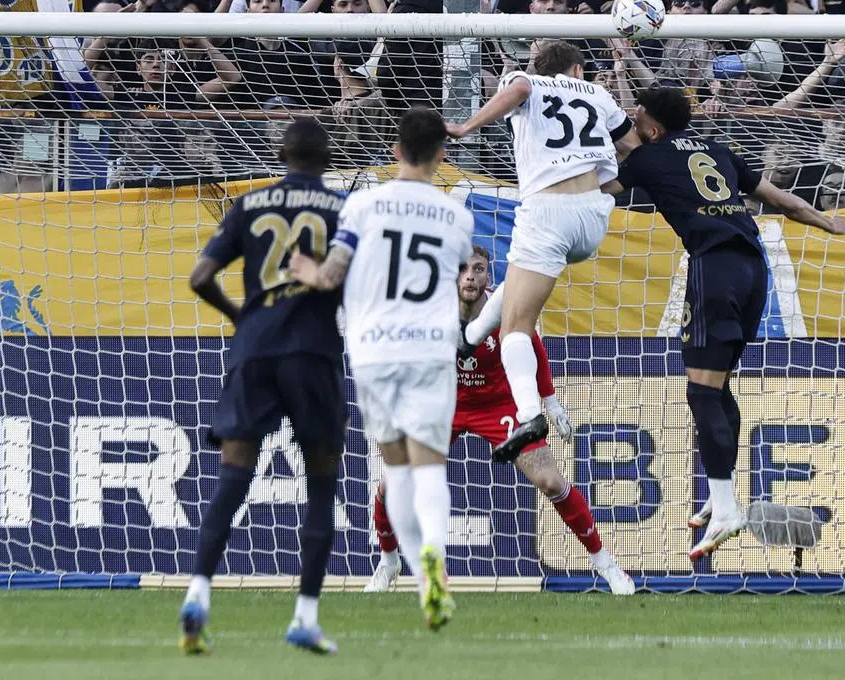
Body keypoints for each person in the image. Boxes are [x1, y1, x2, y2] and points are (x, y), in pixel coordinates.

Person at [603, 88, 845, 558]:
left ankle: (725, 510)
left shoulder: (648, 158)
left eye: (637, 121)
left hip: (715, 268)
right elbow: (784, 202)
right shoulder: (719, 150)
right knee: (718, 389)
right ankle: (721, 496)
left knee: (702, 393)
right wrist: (829, 223)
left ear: (653, 128)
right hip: (753, 270)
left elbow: (599, 192)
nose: (633, 128)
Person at [289, 108, 474, 631]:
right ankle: (434, 565)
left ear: (395, 150)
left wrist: (306, 270)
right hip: (430, 350)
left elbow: (331, 276)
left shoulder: (363, 205)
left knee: (395, 471)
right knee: (429, 467)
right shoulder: (457, 216)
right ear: (442, 154)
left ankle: (419, 575)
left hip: (374, 350)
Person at [364, 246, 635, 595]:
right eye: (463, 269)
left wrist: (551, 402)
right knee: (391, 484)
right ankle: (388, 562)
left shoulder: (503, 308)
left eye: (478, 269)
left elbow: (532, 347)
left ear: (488, 276)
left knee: (550, 481)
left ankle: (606, 564)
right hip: (442, 405)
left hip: (498, 405)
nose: (470, 277)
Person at [179, 118, 348, 655]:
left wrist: (243, 318)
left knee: (233, 475)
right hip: (313, 352)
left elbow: (199, 277)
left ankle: (198, 594)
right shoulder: (342, 209)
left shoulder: (249, 204)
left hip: (254, 351)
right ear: (328, 158)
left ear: (280, 155)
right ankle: (305, 616)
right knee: (321, 481)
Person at [447, 40, 638, 463]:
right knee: (517, 278)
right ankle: (470, 339)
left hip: (549, 212)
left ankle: (530, 415)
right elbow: (635, 148)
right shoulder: (599, 93)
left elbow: (517, 91)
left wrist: (464, 128)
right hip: (594, 215)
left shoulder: (525, 79)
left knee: (515, 328)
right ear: (578, 69)